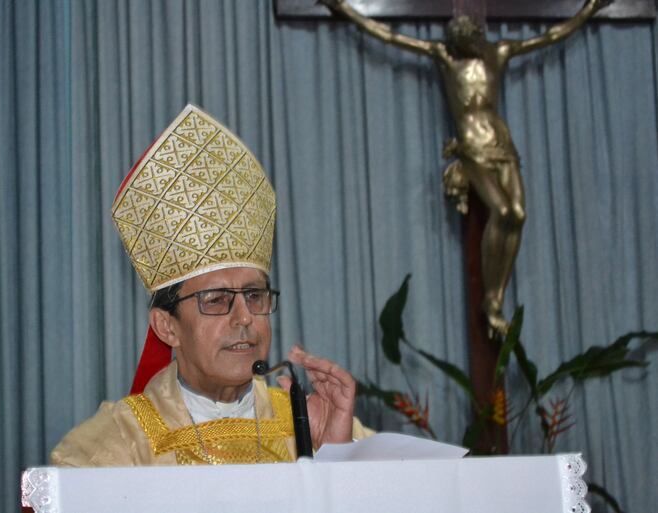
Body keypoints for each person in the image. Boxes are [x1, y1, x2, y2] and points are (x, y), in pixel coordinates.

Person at [51, 104, 372, 466]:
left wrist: (335, 461)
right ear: (167, 326)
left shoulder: (316, 426)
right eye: (216, 300)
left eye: (254, 295)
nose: (244, 318)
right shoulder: (113, 447)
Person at [322, 0, 611, 335]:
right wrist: (347, 10)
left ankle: (495, 296)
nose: (466, 45)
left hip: (502, 144)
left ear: (476, 35)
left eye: (469, 38)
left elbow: (549, 37)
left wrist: (588, 10)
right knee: (502, 211)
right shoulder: (447, 60)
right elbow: (390, 37)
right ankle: (492, 300)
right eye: (459, 41)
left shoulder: (499, 53)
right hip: (472, 149)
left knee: (518, 213)